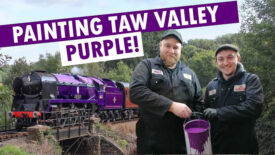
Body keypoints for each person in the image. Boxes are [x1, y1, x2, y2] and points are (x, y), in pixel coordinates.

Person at [129, 29, 203, 154]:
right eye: (167, 46)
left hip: (183, 144)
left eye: (176, 47)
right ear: (160, 45)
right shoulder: (147, 66)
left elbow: (198, 103)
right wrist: (171, 106)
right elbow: (136, 91)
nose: (171, 51)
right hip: (151, 143)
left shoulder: (190, 73)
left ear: (181, 49)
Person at [203, 44, 264, 154]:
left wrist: (219, 112)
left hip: (244, 147)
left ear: (238, 58)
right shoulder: (211, 85)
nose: (225, 63)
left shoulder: (251, 80)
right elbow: (206, 113)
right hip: (218, 147)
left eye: (230, 57)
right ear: (216, 62)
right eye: (221, 59)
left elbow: (254, 108)